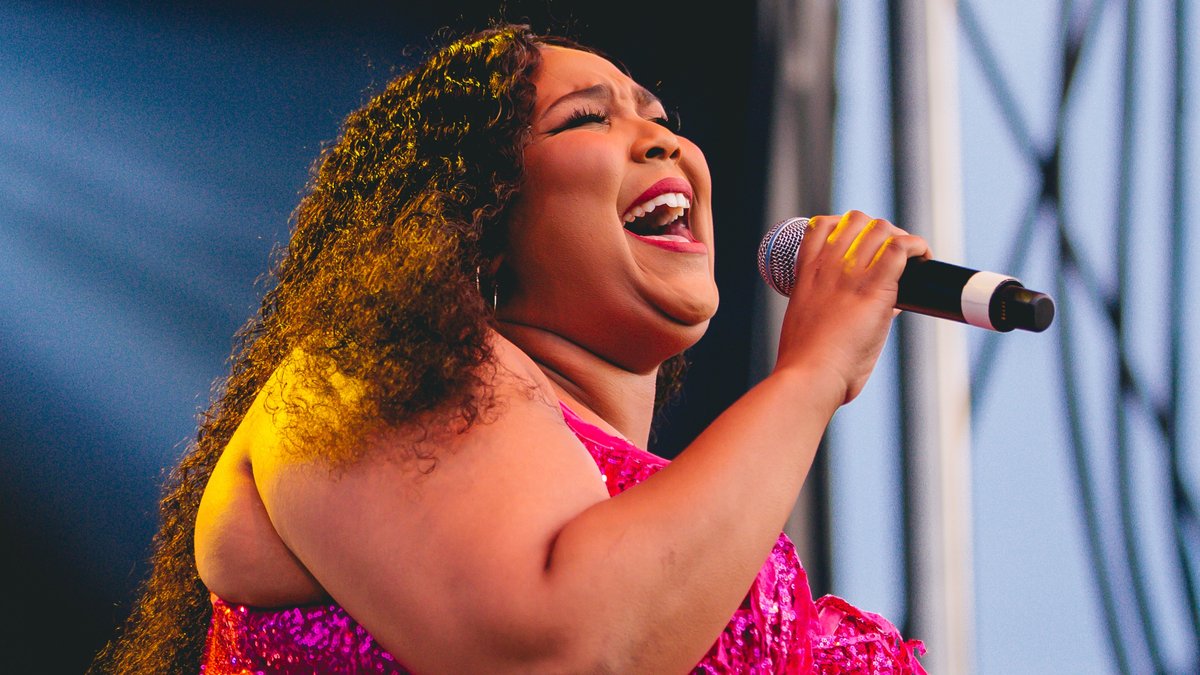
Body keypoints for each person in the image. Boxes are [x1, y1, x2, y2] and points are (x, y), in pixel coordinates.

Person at [92, 24, 928, 674]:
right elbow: (565, 648)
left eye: (660, 117)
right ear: (473, 217)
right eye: (588, 118)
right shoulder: (358, 376)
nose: (662, 140)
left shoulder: (646, 509)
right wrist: (813, 374)